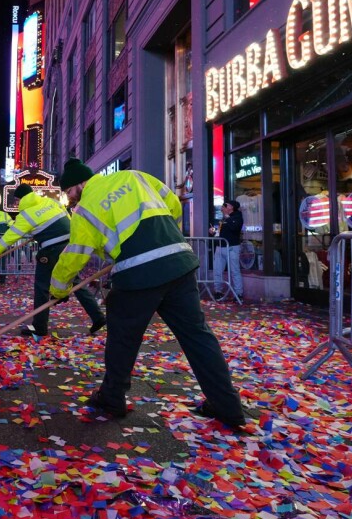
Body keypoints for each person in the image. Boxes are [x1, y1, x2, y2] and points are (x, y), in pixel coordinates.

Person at [49, 158, 246, 430]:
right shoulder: (134, 176)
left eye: (69, 191)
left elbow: (75, 253)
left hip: (137, 273)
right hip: (179, 263)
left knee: (121, 338)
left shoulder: (84, 209)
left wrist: (58, 289)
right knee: (198, 337)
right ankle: (228, 407)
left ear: (80, 184)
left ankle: (112, 397)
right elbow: (174, 205)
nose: (69, 199)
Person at [0, 184, 106, 336]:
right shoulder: (51, 202)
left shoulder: (26, 215)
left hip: (51, 251)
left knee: (42, 286)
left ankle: (40, 327)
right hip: (70, 245)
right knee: (73, 280)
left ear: (20, 199)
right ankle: (98, 316)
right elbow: (67, 218)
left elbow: (9, 237)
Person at [210, 199, 244, 301]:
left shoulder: (237, 217)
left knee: (235, 270)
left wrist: (227, 218)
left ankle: (238, 293)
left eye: (225, 205)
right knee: (218, 270)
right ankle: (218, 291)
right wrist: (214, 232)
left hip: (232, 247)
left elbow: (235, 228)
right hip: (220, 247)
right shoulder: (224, 218)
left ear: (231, 207)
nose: (223, 207)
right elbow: (222, 231)